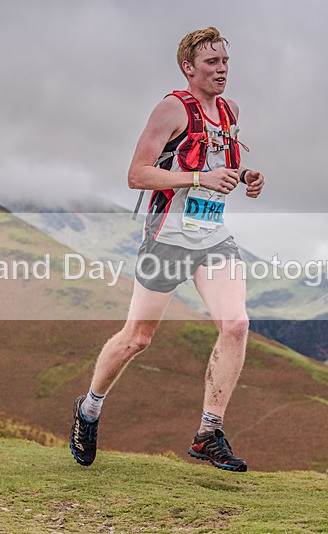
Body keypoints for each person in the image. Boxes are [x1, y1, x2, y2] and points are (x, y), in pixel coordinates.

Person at [70, 27, 265, 472]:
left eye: (225, 62)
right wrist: (198, 180)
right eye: (212, 63)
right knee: (138, 338)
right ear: (189, 68)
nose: (221, 71)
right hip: (168, 237)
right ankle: (89, 408)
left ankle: (207, 433)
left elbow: (221, 166)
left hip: (213, 237)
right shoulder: (172, 108)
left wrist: (248, 177)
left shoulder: (231, 111)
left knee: (235, 325)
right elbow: (137, 175)